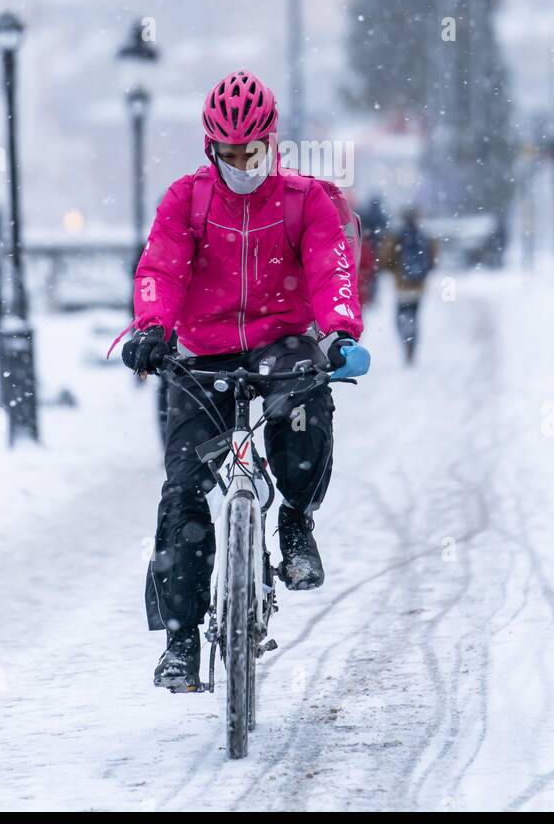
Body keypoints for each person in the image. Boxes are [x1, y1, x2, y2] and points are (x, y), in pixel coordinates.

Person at [121, 70, 370, 692]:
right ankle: (181, 640)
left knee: (304, 416)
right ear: (211, 148)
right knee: (182, 492)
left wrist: (338, 332)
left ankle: (294, 522)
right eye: (228, 154)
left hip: (281, 345)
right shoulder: (187, 200)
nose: (241, 164)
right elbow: (160, 267)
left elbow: (330, 267)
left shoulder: (305, 200)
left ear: (271, 142)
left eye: (251, 152)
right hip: (202, 354)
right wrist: (152, 328)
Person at [379, 206, 436, 364]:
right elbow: (433, 261)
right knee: (414, 317)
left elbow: (386, 259)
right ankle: (411, 345)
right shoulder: (424, 236)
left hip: (402, 285)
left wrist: (393, 270)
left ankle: (406, 341)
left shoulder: (396, 236)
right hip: (419, 286)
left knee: (400, 318)